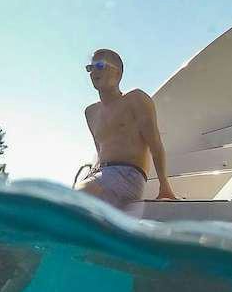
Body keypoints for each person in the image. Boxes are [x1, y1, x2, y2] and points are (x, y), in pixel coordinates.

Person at [74, 48, 176, 215]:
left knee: (75, 197)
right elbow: (100, 152)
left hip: (129, 174)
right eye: (90, 68)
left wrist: (164, 186)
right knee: (67, 202)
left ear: (118, 73)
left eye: (99, 65)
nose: (93, 72)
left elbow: (155, 144)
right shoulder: (90, 112)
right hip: (100, 175)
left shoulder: (136, 99)